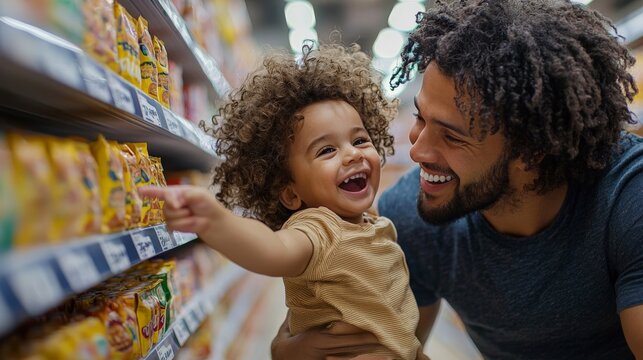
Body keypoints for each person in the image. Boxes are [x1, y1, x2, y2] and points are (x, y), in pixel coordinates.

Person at [271, 0, 643, 359]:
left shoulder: (628, 198)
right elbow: (385, 348)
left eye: (451, 136)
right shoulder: (411, 215)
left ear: (531, 152)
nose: (416, 152)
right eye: (420, 118)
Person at [140, 43, 427, 359]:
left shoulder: (375, 223)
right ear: (291, 193)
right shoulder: (317, 229)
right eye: (326, 150)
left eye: (360, 140)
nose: (353, 153)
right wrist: (215, 221)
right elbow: (271, 250)